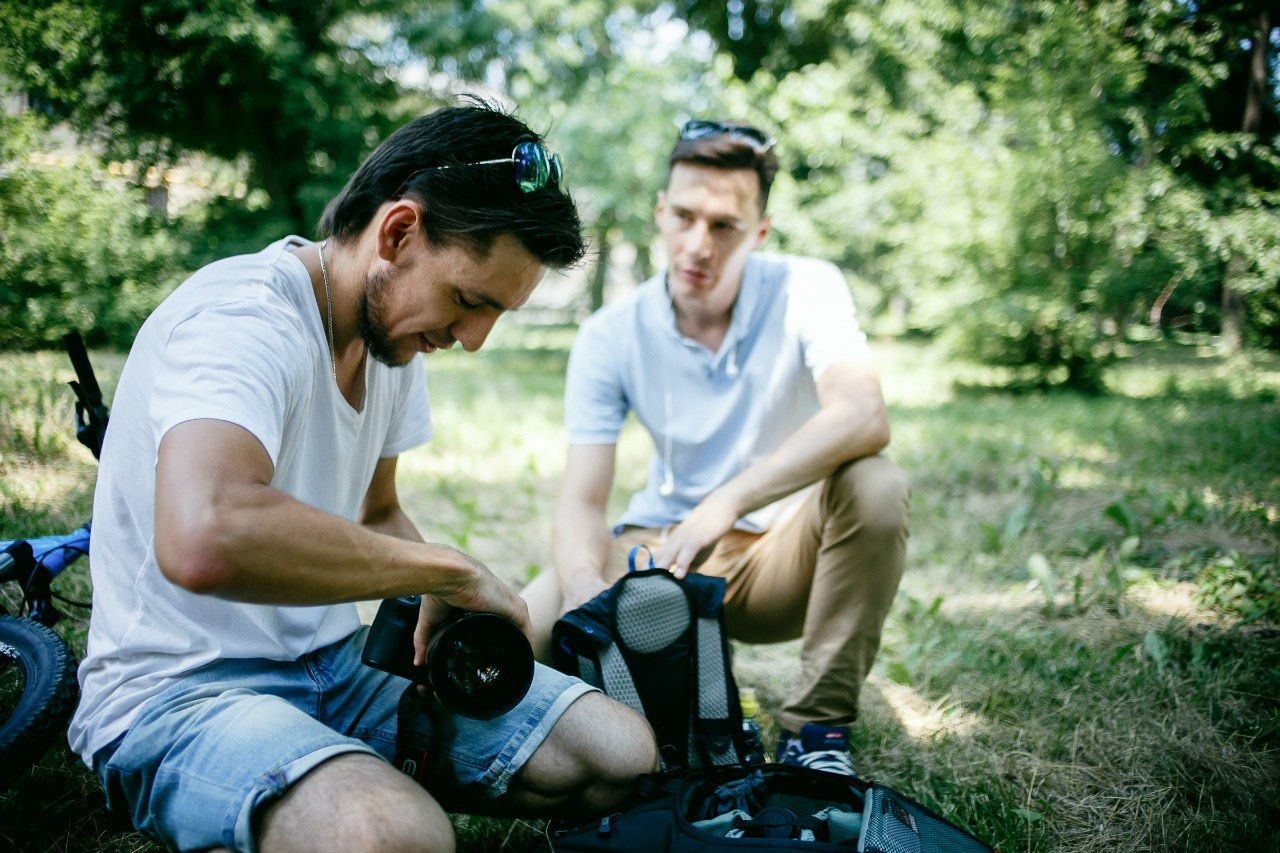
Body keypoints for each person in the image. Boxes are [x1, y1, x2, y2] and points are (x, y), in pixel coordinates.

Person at [68, 103, 657, 853]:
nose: (473, 340)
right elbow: (204, 532)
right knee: (400, 837)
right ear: (399, 233)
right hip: (182, 692)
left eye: (496, 315)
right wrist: (449, 567)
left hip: (337, 669)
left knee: (617, 754)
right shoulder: (242, 320)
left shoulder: (391, 345)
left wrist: (447, 613)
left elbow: (378, 514)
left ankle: (317, 782)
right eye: (469, 301)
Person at [524, 119, 909, 777]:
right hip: (660, 552)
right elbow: (581, 500)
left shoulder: (807, 287)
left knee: (876, 482)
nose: (697, 245)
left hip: (775, 556)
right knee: (521, 638)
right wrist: (584, 586)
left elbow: (864, 414)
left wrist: (726, 501)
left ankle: (815, 734)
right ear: (660, 213)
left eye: (724, 226)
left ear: (759, 232)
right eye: (683, 216)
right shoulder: (609, 333)